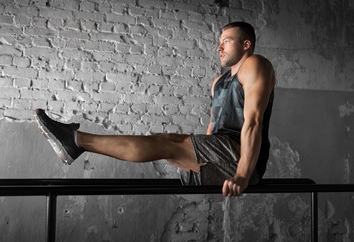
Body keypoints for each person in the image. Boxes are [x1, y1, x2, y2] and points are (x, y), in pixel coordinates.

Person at [34, 21, 275, 197]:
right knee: (165, 139)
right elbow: (213, 129)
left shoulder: (256, 65)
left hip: (244, 159)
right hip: (222, 153)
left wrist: (242, 176)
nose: (219, 48)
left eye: (227, 41)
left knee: (167, 145)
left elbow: (253, 122)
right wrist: (201, 163)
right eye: (219, 42)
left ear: (246, 44)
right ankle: (76, 143)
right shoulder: (218, 82)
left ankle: (77, 141)